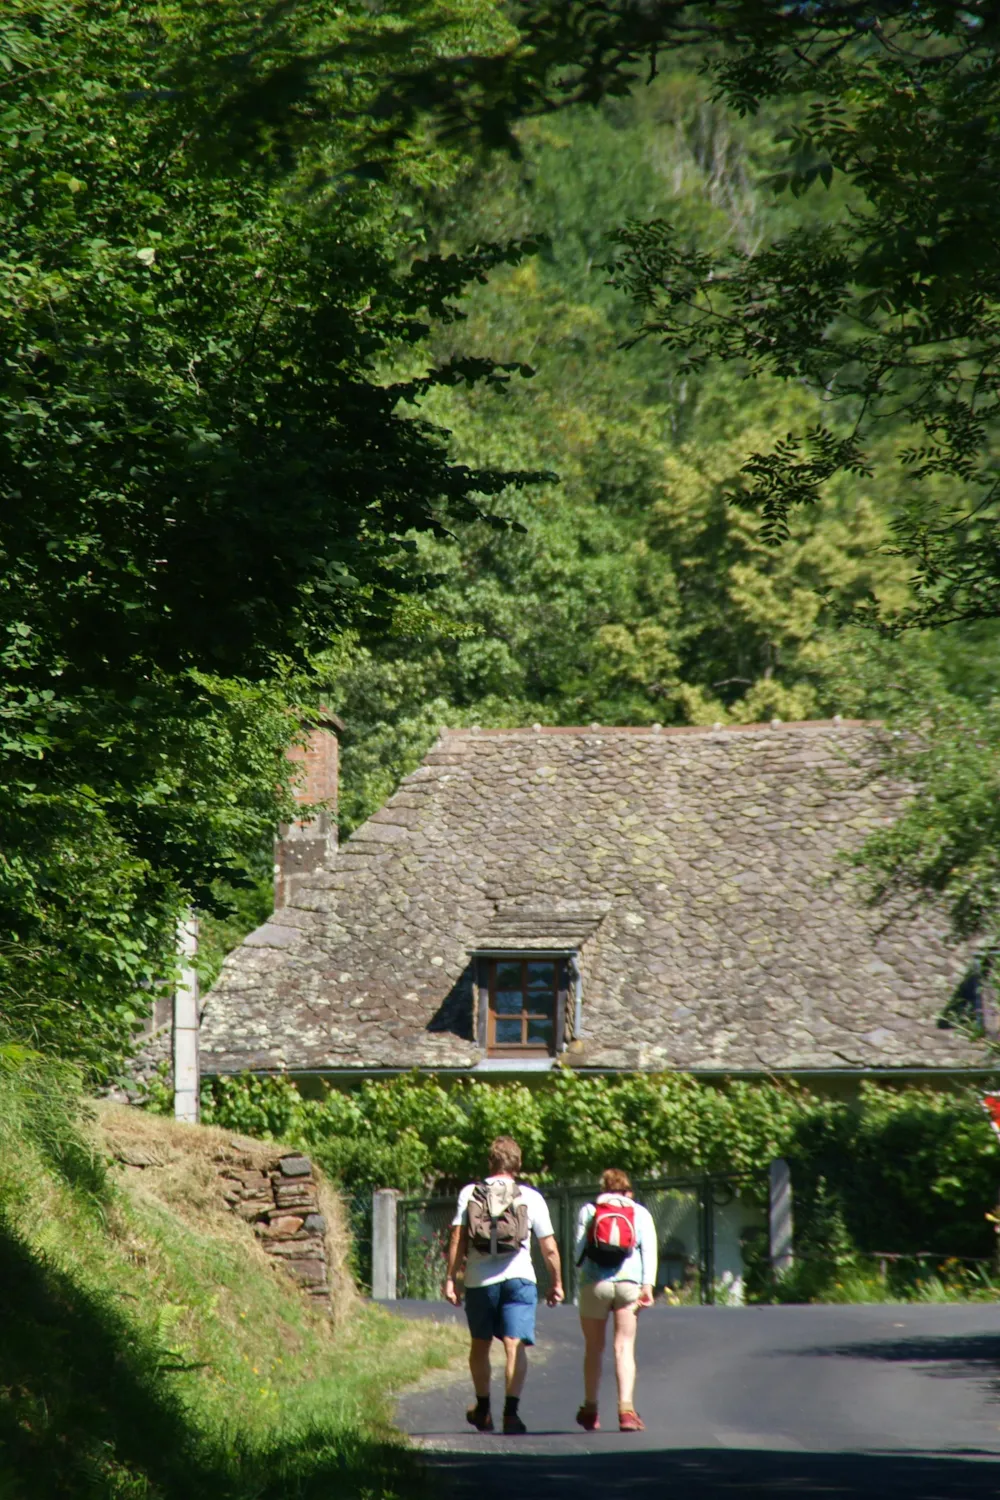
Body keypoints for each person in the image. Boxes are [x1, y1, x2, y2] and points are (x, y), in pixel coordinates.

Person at [444, 1134, 564, 1435]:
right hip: (520, 1277)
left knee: (480, 1344)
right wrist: (556, 1283)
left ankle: (483, 1409)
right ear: (518, 1165)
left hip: (479, 1280)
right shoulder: (530, 1197)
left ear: (490, 1162)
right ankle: (511, 1414)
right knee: (515, 1345)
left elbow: (458, 1238)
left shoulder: (471, 1193)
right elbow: (548, 1247)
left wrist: (451, 1279)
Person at [574, 1168, 657, 1433]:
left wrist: (583, 1279)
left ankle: (590, 1408)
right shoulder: (640, 1213)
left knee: (593, 1348)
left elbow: (578, 1252)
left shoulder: (588, 1211)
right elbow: (650, 1252)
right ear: (628, 1190)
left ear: (603, 1188)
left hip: (594, 1284)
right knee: (624, 1346)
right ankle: (626, 1411)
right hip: (629, 1284)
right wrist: (648, 1286)